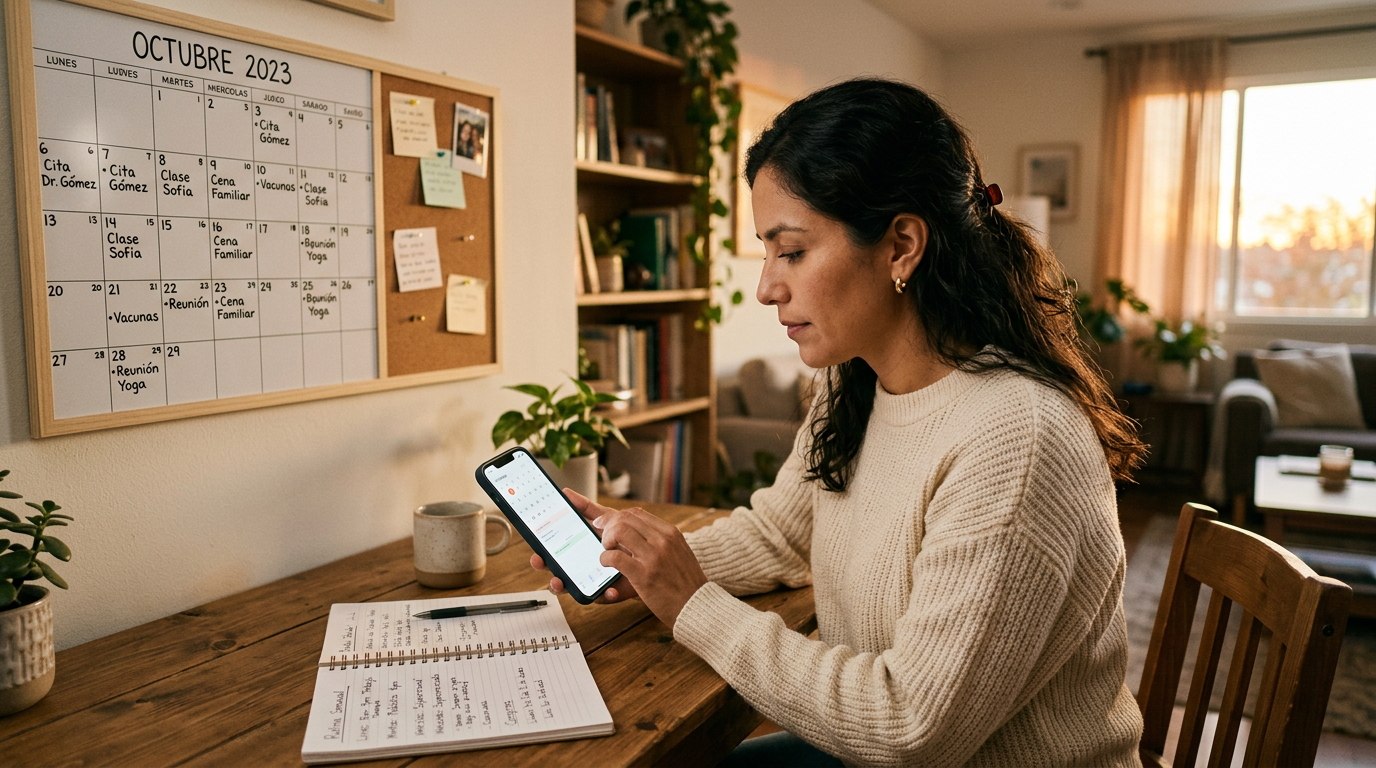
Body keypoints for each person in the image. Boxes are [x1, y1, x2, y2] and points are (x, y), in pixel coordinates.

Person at [534, 78, 1147, 766]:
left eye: (791, 250)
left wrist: (693, 604)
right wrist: (643, 563)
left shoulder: (1017, 438)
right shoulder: (855, 380)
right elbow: (780, 535)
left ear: (901, 245)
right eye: (767, 252)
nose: (767, 286)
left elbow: (912, 725)